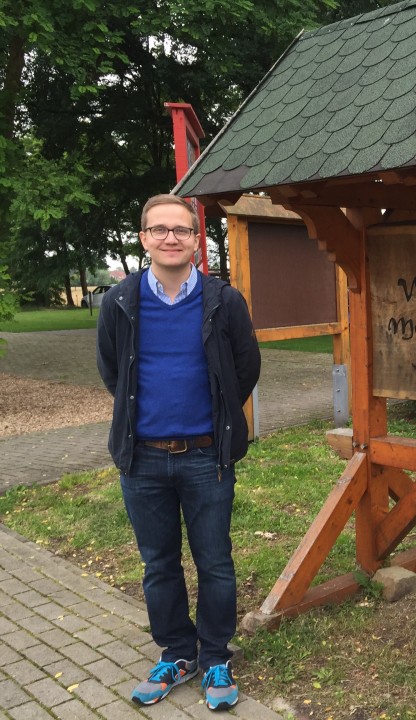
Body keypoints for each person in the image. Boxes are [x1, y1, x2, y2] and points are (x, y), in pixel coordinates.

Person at [96, 194, 261, 711]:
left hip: (205, 456)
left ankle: (214, 656)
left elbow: (244, 368)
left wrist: (217, 415)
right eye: (159, 229)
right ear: (144, 239)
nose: (171, 237)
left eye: (181, 230)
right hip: (141, 459)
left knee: (215, 562)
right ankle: (177, 653)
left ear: (196, 240)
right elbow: (111, 372)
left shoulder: (223, 300)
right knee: (158, 564)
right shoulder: (119, 300)